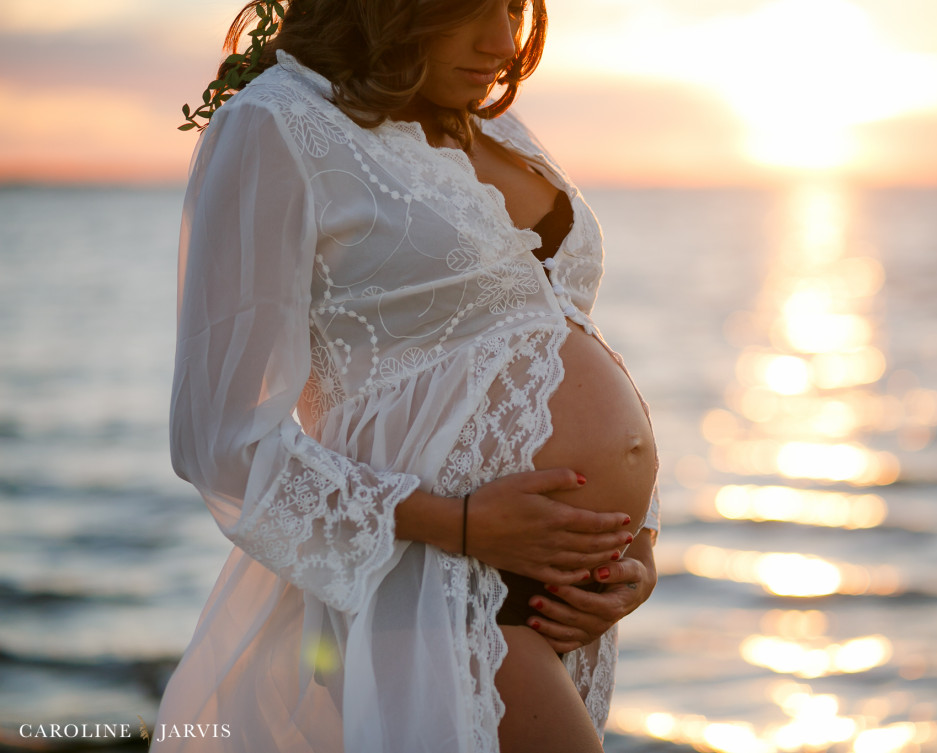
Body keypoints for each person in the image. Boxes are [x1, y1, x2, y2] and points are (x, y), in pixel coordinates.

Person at [154, 0, 659, 750]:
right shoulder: (276, 124)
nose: (503, 44)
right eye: (471, 10)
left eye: (513, 8)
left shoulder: (492, 125)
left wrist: (638, 549)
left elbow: (557, 332)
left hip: (561, 597)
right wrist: (460, 524)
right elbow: (219, 439)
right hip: (429, 585)